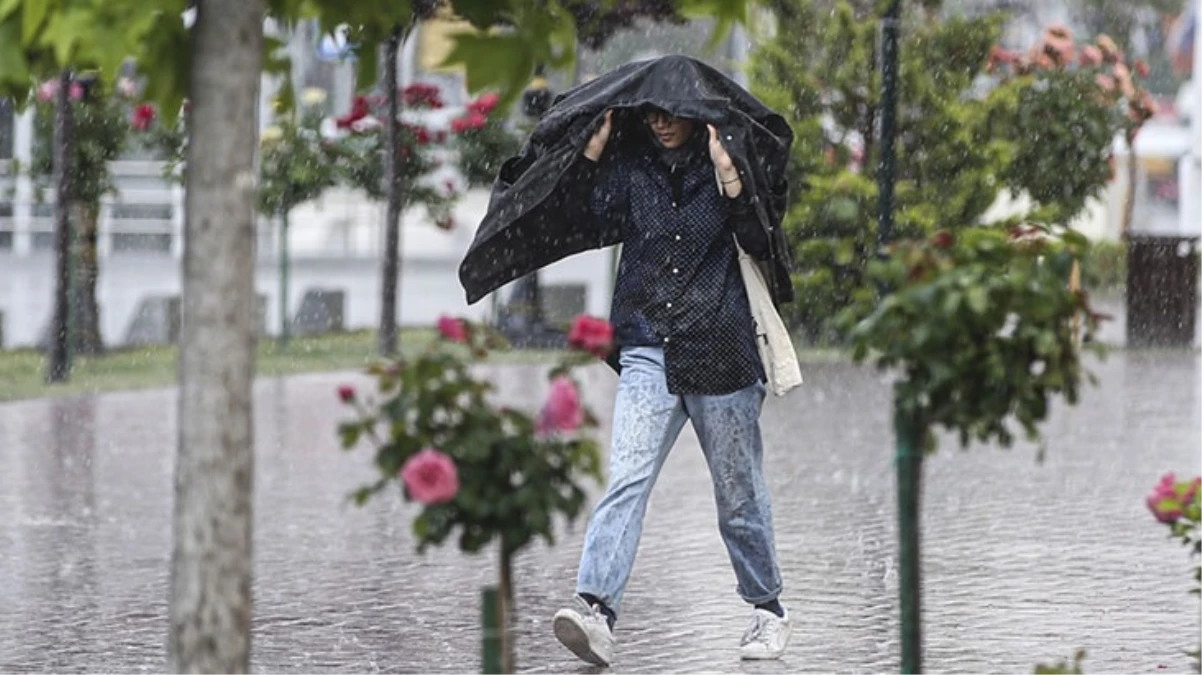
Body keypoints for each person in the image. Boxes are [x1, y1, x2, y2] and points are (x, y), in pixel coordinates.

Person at [549, 105, 790, 667]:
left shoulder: (725, 166)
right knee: (627, 477)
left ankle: (768, 608)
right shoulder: (632, 169)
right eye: (652, 115)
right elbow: (583, 220)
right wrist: (592, 149)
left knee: (738, 493)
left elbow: (760, 239)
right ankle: (595, 610)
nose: (660, 124)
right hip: (647, 349)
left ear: (696, 116)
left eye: (671, 115)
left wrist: (729, 174)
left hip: (723, 351)